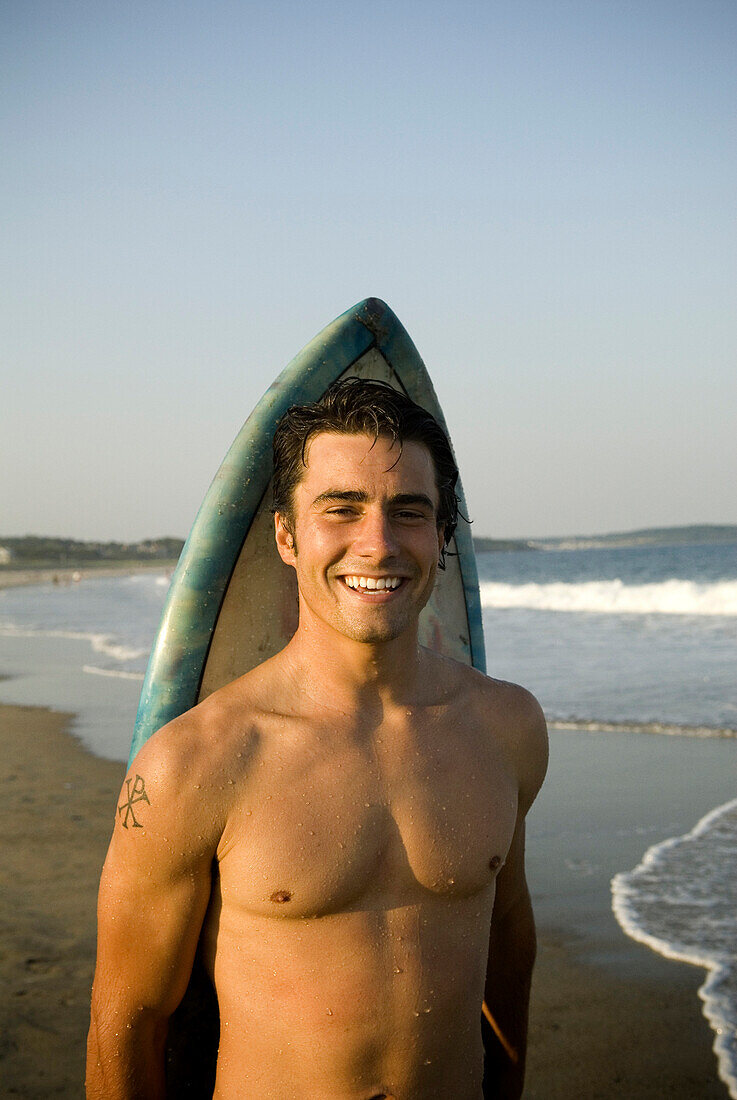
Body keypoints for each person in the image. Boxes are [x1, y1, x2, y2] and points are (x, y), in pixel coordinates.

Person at [87, 379, 548, 1099]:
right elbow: (129, 1017)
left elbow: (508, 943)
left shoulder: (506, 727)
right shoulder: (197, 761)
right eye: (342, 509)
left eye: (409, 512)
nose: (378, 543)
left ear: (441, 537)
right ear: (285, 536)